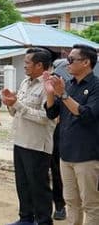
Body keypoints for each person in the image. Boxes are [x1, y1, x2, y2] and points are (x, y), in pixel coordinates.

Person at [44, 44, 99, 225]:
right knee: (71, 201)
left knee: (90, 204)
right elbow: (52, 114)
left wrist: (64, 95)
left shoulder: (95, 86)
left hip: (87, 155)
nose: (67, 63)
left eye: (71, 60)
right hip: (65, 153)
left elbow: (87, 115)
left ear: (86, 62)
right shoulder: (68, 84)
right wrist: (51, 93)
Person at [1, 48, 56, 225]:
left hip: (37, 145)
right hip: (20, 141)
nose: (24, 66)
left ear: (40, 65)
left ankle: (44, 221)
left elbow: (46, 118)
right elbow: (16, 112)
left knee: (38, 187)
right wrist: (10, 103)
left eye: (27, 63)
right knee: (23, 184)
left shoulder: (49, 86)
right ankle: (26, 218)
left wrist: (17, 104)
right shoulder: (25, 82)